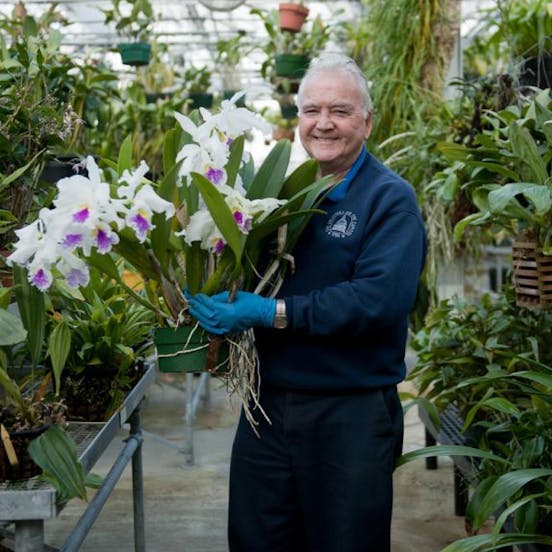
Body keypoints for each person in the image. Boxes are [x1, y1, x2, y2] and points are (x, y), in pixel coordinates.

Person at [187, 53, 427, 552]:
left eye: (339, 111)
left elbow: (377, 300)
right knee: (256, 539)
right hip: (268, 408)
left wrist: (268, 313)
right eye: (311, 111)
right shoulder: (283, 195)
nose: (323, 124)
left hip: (350, 414)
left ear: (367, 120)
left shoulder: (389, 199)